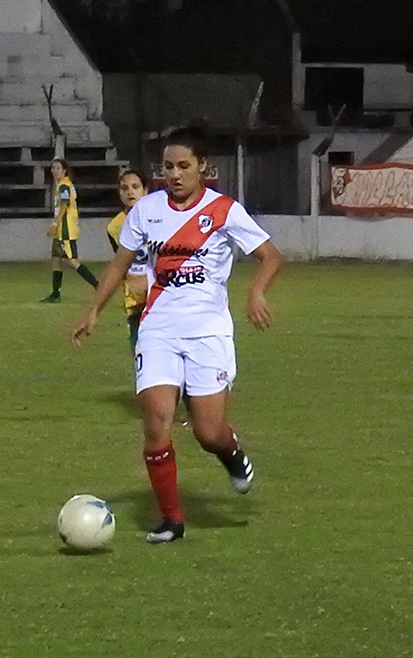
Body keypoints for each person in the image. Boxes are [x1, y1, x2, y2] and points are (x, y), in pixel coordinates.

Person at [71, 126, 284, 543]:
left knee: (208, 432)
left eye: (184, 165)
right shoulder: (146, 210)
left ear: (203, 167)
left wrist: (256, 290)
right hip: (158, 329)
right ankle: (171, 519)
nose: (175, 174)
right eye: (168, 166)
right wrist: (94, 308)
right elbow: (119, 264)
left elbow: (270, 256)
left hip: (208, 332)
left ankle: (230, 450)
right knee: (157, 422)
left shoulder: (224, 210)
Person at [40, 159, 99, 302]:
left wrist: (55, 223)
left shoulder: (64, 186)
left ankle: (99, 286)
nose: (55, 171)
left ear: (64, 170)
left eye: (58, 168)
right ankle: (55, 294)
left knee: (71, 261)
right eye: (53, 168)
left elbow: (64, 205)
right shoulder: (62, 185)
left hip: (65, 229)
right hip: (61, 229)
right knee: (55, 259)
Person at [106, 169, 149, 346]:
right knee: (139, 350)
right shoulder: (115, 226)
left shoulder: (158, 216)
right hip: (135, 298)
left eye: (135, 187)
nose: (130, 192)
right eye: (125, 188)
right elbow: (121, 263)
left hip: (162, 295)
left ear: (145, 190)